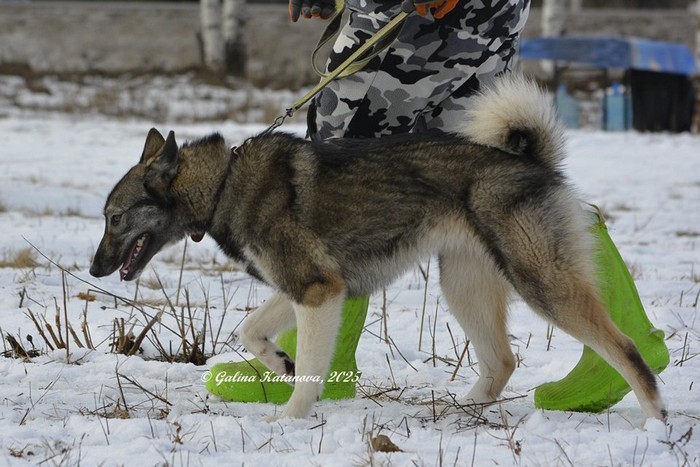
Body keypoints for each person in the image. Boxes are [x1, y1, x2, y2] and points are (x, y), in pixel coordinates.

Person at [207, 0, 668, 414]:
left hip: (407, 21)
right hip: (483, 16)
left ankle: (311, 369)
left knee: (334, 174)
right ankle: (622, 333)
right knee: (499, 173)